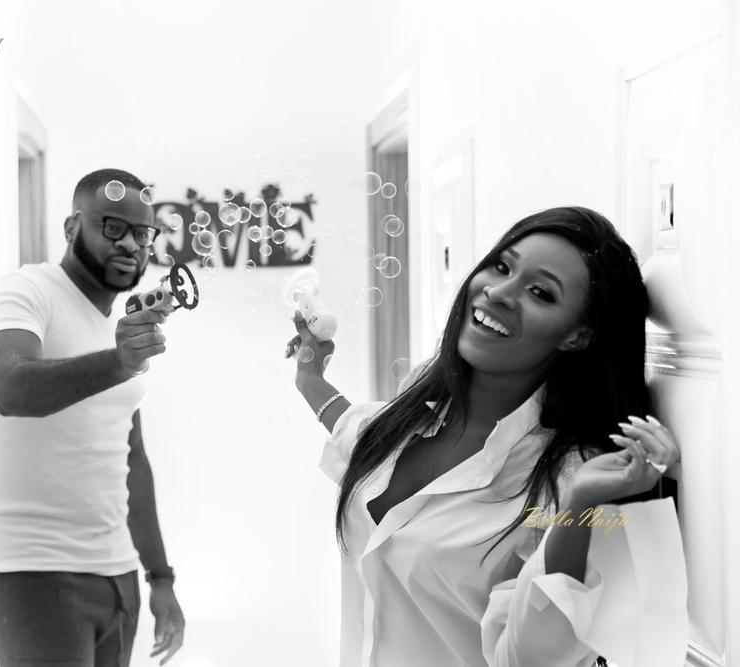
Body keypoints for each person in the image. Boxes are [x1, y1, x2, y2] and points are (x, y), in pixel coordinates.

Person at [288, 206, 687, 666]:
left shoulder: (575, 476)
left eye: (540, 292)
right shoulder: (419, 407)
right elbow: (362, 436)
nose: (499, 292)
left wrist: (579, 505)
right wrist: (310, 381)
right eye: (502, 266)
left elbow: (532, 658)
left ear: (578, 335)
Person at [0, 168, 185, 667]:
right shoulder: (24, 293)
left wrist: (160, 577)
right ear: (71, 227)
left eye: (143, 233)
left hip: (115, 572)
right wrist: (119, 362)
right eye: (113, 226)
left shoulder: (120, 325)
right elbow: (10, 389)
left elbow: (130, 458)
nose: (130, 243)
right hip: (28, 566)